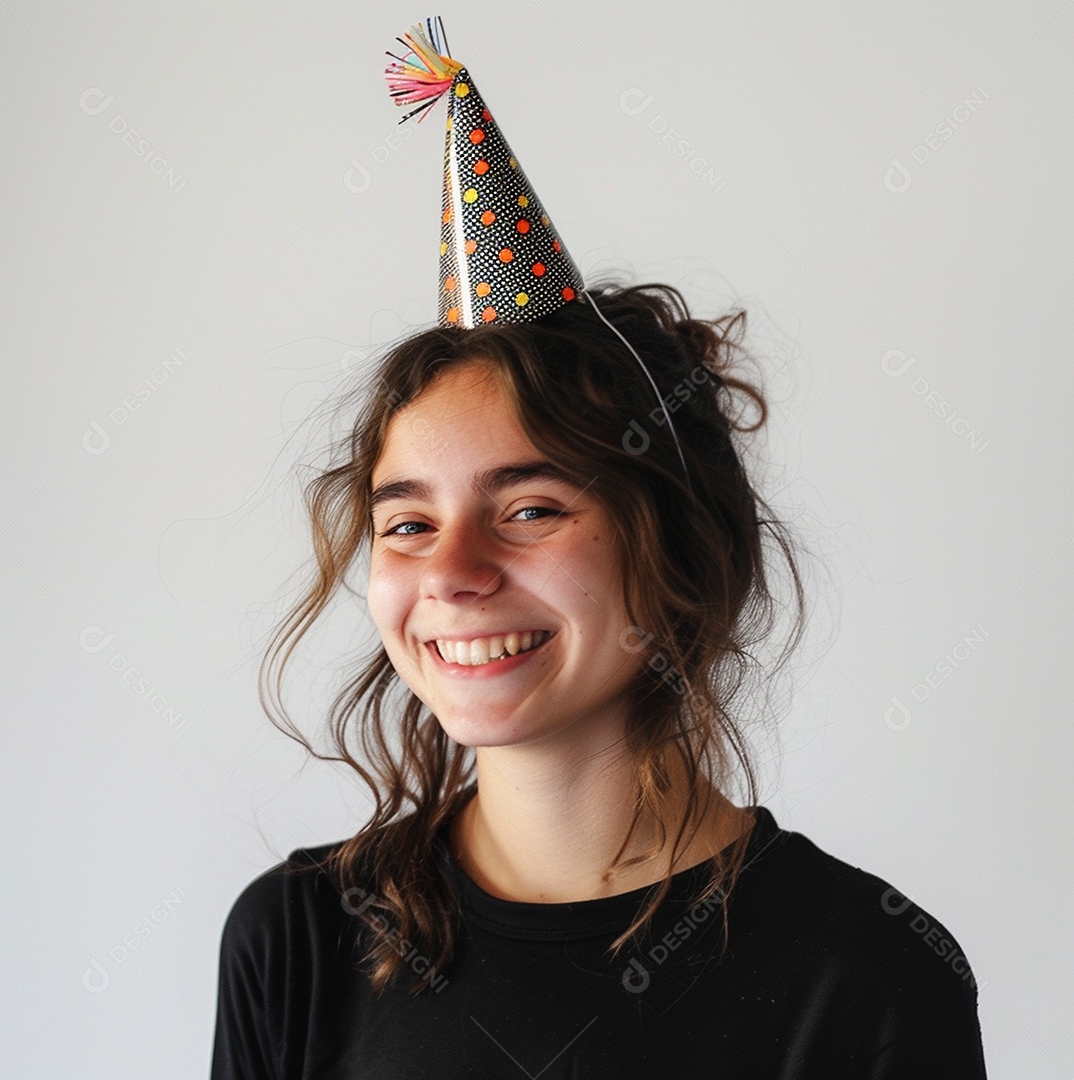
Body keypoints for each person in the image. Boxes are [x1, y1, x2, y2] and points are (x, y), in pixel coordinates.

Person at [209, 19, 987, 1079]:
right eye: (409, 524)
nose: (452, 574)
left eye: (530, 510)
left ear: (676, 540)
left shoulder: (870, 976)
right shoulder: (299, 941)